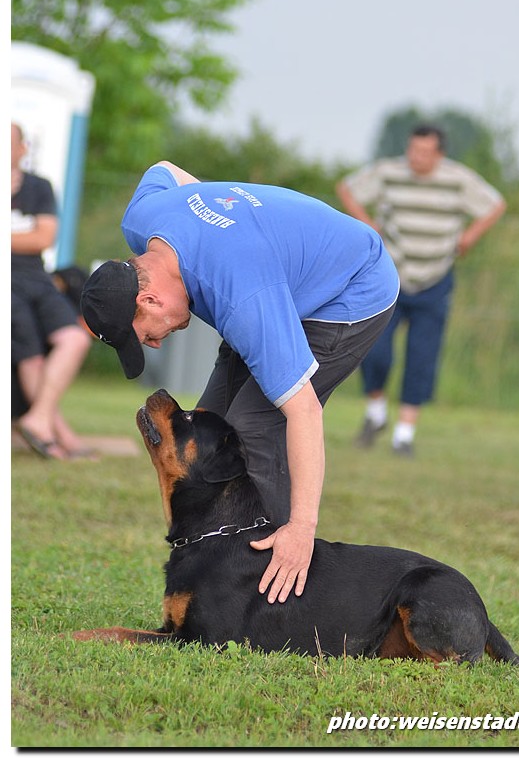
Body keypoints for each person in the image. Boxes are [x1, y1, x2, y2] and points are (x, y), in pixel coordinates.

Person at [80, 161, 400, 604]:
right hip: (266, 282)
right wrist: (223, 222)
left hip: (351, 289)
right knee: (206, 430)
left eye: (143, 335)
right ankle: (216, 573)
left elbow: (303, 411)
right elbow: (164, 169)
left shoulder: (244, 296)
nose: (152, 344)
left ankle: (267, 594)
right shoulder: (143, 220)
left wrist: (301, 528)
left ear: (149, 298)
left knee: (254, 426)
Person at [336, 124, 506, 456]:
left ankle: (404, 434)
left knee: (422, 356)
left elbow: (495, 204)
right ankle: (376, 412)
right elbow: (347, 188)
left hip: (435, 279)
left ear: (439, 154)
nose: (416, 157)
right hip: (389, 275)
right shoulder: (388, 172)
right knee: (374, 349)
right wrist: (367, 224)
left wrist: (470, 236)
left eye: (425, 152)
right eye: (413, 149)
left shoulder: (458, 179)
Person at [11, 122, 93, 460]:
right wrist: (25, 236)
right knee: (30, 357)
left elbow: (44, 237)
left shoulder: (38, 187)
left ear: (22, 149)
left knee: (74, 339)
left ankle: (40, 421)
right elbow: (34, 235)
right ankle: (57, 436)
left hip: (37, 279)